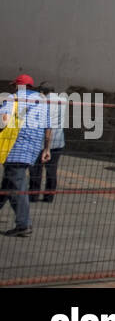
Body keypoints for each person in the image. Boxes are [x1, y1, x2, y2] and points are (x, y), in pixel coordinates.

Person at [0, 75, 51, 237]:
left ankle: (23, 224)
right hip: (33, 148)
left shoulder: (12, 99)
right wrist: (46, 149)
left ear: (18, 86)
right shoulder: (42, 101)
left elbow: (3, 120)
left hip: (14, 147)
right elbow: (49, 127)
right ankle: (23, 223)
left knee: (17, 186)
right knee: (9, 184)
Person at [28, 83, 65, 203]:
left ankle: (33, 195)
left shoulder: (42, 102)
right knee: (52, 170)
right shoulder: (63, 100)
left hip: (42, 140)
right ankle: (49, 196)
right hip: (59, 140)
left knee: (36, 169)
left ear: (42, 92)